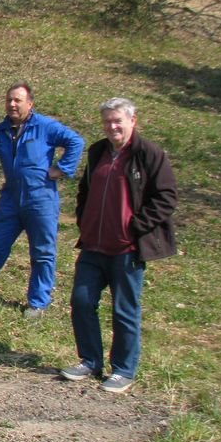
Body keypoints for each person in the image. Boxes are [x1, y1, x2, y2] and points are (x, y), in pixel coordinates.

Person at [61, 98, 177, 393]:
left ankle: (123, 370)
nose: (112, 126)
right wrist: (84, 219)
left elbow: (166, 197)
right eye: (107, 121)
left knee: (124, 310)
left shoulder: (149, 154)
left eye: (117, 121)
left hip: (127, 249)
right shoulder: (98, 151)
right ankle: (90, 361)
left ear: (132, 121)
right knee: (81, 301)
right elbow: (85, 189)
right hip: (93, 245)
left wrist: (135, 227)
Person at [0, 83, 84, 319]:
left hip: (40, 198)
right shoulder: (1, 130)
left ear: (30, 103)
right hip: (11, 197)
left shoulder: (44, 126)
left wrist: (61, 168)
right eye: (9, 100)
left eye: (17, 100)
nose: (12, 104)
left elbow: (75, 141)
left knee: (42, 251)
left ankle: (37, 303)